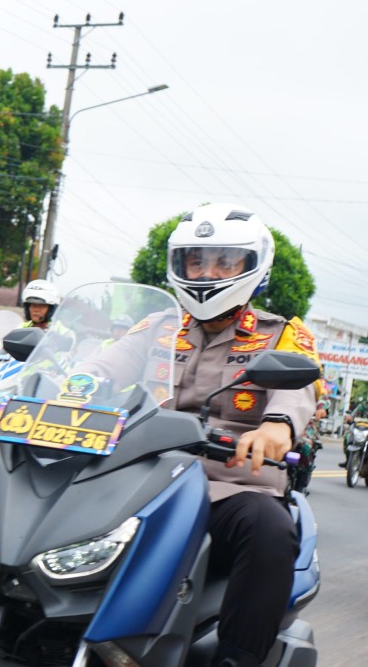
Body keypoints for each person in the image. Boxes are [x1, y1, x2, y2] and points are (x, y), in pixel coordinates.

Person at [82, 203, 317, 667]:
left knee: (269, 528)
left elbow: (300, 392)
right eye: (197, 260)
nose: (208, 272)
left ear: (252, 267)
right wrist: (64, 388)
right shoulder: (157, 328)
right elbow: (100, 368)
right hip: (140, 474)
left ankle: (238, 657)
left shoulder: (281, 335)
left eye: (224, 261)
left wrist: (276, 427)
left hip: (229, 484)